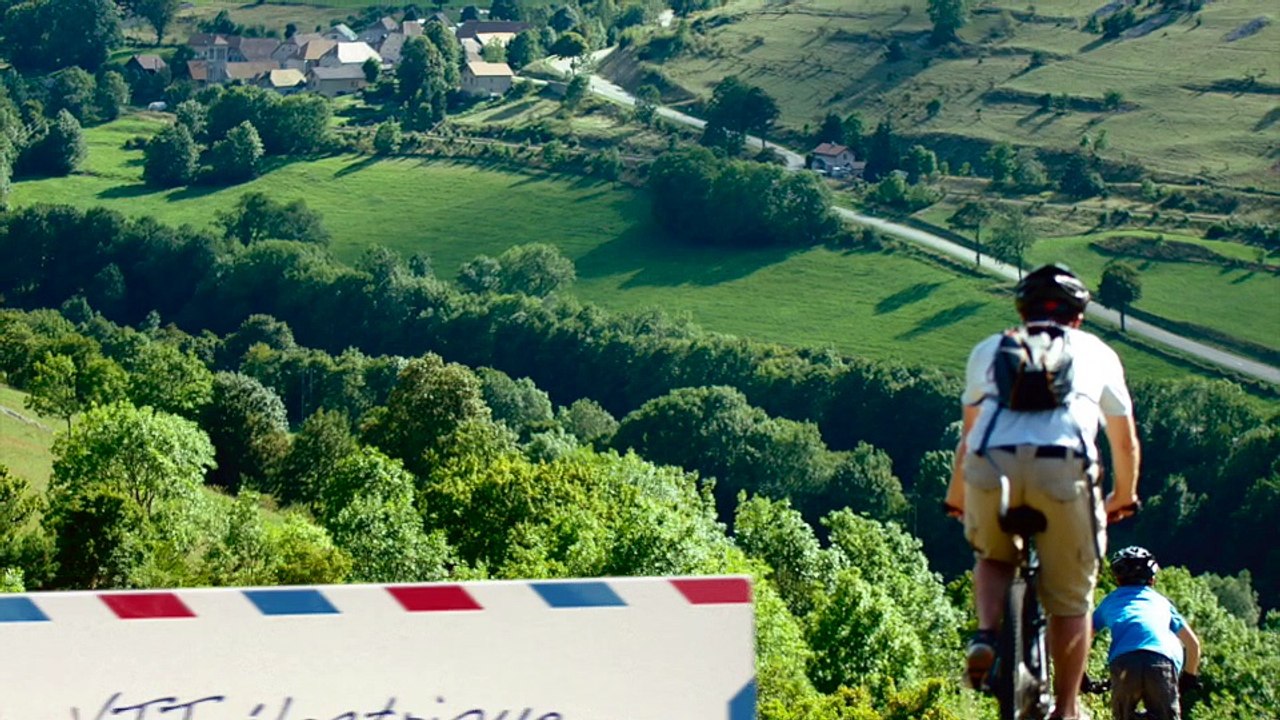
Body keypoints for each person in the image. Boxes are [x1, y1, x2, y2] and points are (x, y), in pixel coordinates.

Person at [944, 263, 1142, 720]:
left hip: (992, 467)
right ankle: (1068, 710)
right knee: (1071, 599)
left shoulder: (990, 349)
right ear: (1078, 315)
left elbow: (967, 437)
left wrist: (958, 496)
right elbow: (1124, 442)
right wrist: (1121, 496)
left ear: (1022, 309)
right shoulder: (1098, 353)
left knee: (992, 557)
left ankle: (987, 634)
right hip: (1064, 469)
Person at [1093, 546, 1201, 720]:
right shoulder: (1162, 603)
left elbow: (1082, 640)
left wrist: (1082, 678)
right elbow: (1193, 645)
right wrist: (1189, 678)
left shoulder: (1109, 601)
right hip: (1161, 661)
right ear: (1152, 579)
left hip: (1124, 663)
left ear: (1118, 579)